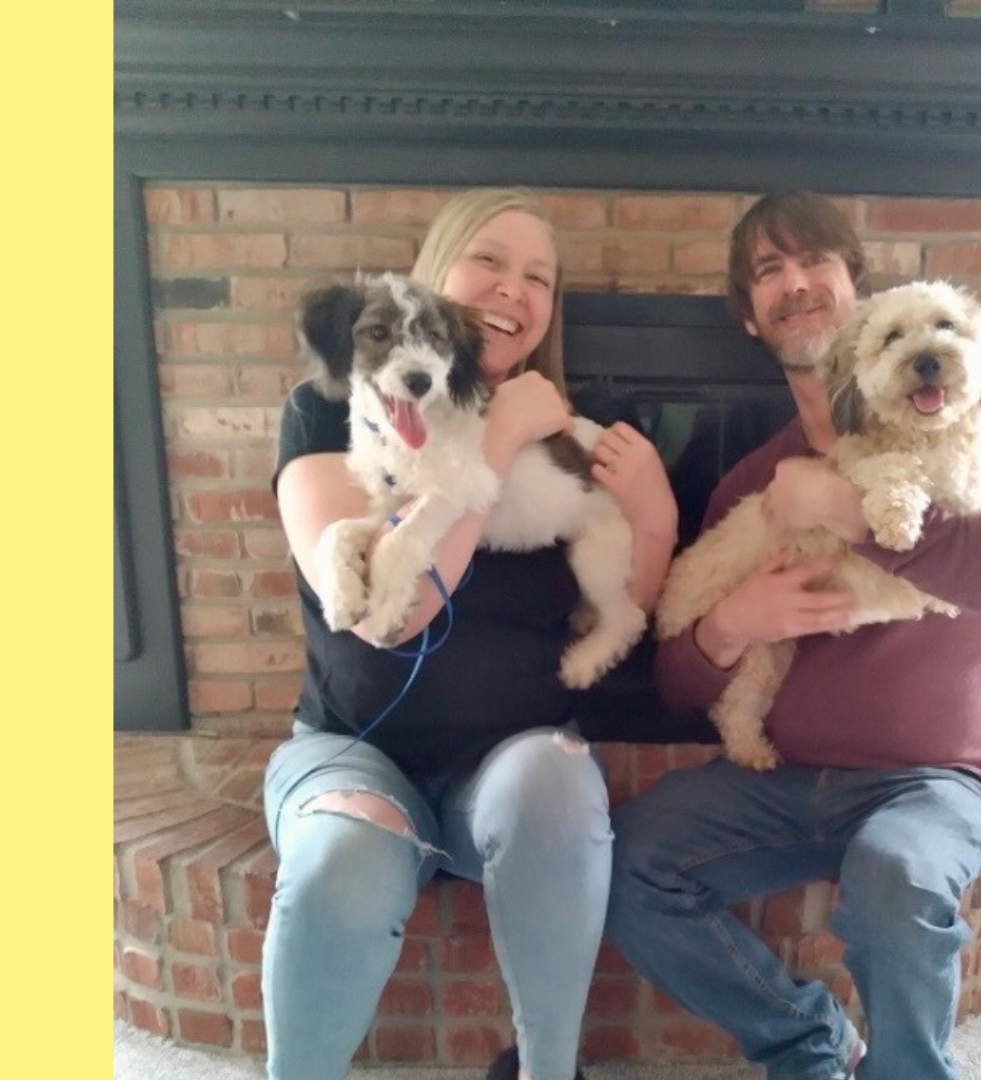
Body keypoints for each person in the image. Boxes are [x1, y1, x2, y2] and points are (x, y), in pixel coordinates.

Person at [603, 191, 981, 1080]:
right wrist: (733, 627)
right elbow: (674, 684)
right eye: (767, 273)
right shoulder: (751, 473)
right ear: (750, 315)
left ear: (857, 288)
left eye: (815, 260)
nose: (795, 284)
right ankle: (810, 1047)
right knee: (626, 861)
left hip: (932, 783)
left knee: (897, 875)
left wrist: (847, 509)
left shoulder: (966, 434)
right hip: (787, 785)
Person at [263, 188, 679, 1080]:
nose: (513, 289)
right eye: (489, 260)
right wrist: (498, 435)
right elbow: (392, 612)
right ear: (436, 275)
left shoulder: (559, 436)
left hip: (509, 764)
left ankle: (547, 1071)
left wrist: (655, 517)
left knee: (558, 783)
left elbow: (631, 611)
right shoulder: (327, 410)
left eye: (539, 277)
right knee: (341, 853)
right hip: (352, 751)